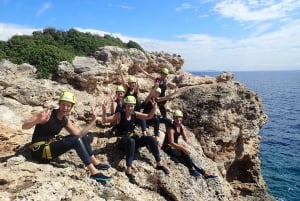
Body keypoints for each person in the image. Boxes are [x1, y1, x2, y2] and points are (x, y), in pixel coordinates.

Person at [22, 91, 112, 182]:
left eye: (68, 106)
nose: (65, 108)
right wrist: (37, 120)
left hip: (49, 146)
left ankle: (95, 162)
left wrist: (93, 121)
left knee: (83, 137)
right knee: (76, 140)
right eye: (63, 104)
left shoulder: (64, 120)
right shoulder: (48, 114)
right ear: (59, 104)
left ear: (71, 107)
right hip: (40, 151)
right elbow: (24, 126)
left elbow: (80, 134)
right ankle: (94, 172)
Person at [102, 95, 169, 184]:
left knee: (151, 139)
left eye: (132, 106)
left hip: (132, 138)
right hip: (122, 141)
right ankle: (128, 170)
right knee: (131, 140)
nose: (130, 108)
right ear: (125, 105)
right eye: (128, 105)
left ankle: (159, 164)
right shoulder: (120, 114)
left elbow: (148, 116)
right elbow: (105, 120)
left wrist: (154, 108)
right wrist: (103, 110)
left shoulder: (135, 114)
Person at [161, 109, 217, 179]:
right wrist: (183, 148)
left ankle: (205, 173)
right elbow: (171, 143)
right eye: (177, 117)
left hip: (175, 147)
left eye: (180, 117)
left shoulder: (181, 127)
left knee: (190, 159)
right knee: (184, 152)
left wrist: (187, 141)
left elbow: (185, 138)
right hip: (167, 148)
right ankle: (192, 169)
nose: (179, 119)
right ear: (174, 118)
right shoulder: (171, 129)